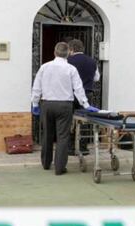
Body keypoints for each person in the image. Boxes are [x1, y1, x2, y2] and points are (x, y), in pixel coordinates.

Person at [31, 42, 99, 175]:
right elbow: (78, 89)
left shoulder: (44, 67)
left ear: (54, 52)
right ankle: (60, 167)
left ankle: (46, 163)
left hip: (47, 104)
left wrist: (34, 104)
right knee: (63, 136)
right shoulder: (71, 69)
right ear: (68, 53)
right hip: (65, 105)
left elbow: (36, 87)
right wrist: (86, 105)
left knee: (47, 135)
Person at [67, 39, 100, 154]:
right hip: (87, 94)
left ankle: (70, 147)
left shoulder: (67, 61)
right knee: (84, 120)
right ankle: (83, 147)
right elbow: (96, 78)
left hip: (70, 95)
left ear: (70, 49)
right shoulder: (92, 61)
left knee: (69, 120)